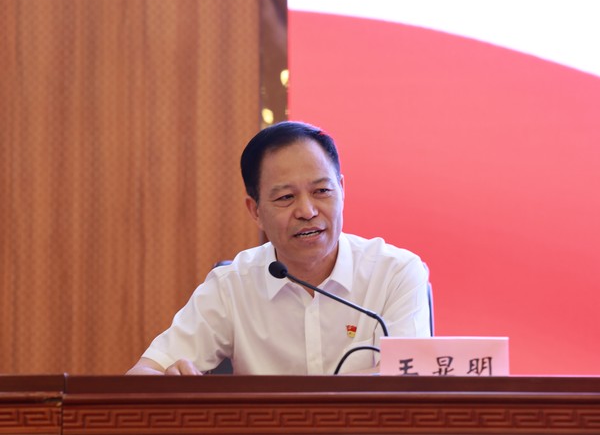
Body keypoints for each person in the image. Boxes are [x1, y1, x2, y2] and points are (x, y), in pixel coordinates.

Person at [127, 121, 430, 376]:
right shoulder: (232, 286)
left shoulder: (395, 274)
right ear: (255, 210)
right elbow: (144, 373)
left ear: (342, 190)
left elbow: (411, 378)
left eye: (321, 191)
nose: (307, 211)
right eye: (286, 197)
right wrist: (168, 382)